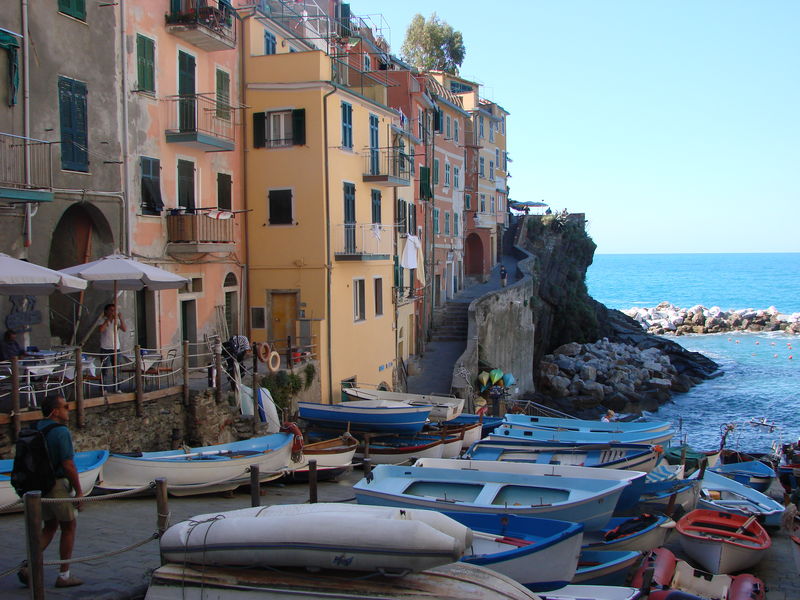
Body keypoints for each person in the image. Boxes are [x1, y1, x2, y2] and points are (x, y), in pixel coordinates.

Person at [18, 394, 84, 588]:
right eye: (65, 407)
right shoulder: (61, 432)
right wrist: (79, 491)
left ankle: (29, 567)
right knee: (69, 526)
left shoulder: (35, 427)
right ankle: (64, 575)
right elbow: (68, 464)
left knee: (49, 526)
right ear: (55, 411)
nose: (68, 410)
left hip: (38, 484)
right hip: (56, 485)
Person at [98, 304, 126, 389]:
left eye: (114, 310)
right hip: (105, 348)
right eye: (111, 310)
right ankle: (104, 388)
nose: (113, 312)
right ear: (106, 311)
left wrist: (120, 318)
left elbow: (124, 329)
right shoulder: (102, 320)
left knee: (117, 370)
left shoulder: (116, 321)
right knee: (105, 370)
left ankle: (118, 388)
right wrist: (108, 320)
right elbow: (101, 329)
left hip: (116, 348)